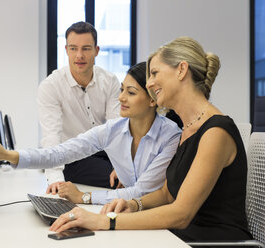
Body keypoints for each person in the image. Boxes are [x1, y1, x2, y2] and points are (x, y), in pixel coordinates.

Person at [45, 37, 253, 243]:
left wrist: (106, 221)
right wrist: (135, 205)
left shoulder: (215, 132)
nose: (150, 83)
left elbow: (181, 214)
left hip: (212, 240)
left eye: (154, 73)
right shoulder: (188, 129)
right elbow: (166, 193)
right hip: (181, 236)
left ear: (181, 70)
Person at [0, 62, 181, 205]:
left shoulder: (170, 136)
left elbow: (142, 192)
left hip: (160, 221)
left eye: (131, 92)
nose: (121, 98)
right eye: (121, 90)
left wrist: (84, 196)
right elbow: (60, 153)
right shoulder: (113, 130)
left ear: (153, 100)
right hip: (126, 212)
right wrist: (9, 155)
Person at [38, 21, 120, 190]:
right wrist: (55, 180)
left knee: (138, 174)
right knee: (119, 182)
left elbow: (117, 129)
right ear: (66, 50)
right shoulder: (51, 86)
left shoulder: (110, 81)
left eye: (86, 48)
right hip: (71, 158)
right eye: (73, 48)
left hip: (104, 152)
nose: (79, 55)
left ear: (96, 51)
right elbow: (51, 135)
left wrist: (121, 166)